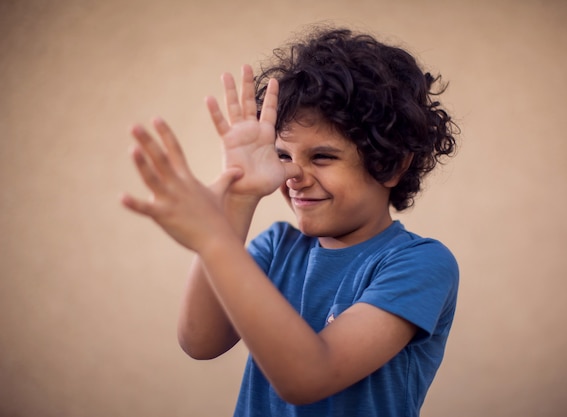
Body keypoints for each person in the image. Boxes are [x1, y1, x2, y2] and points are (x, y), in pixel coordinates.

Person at [122, 26, 459, 417]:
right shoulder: (276, 246)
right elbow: (200, 341)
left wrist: (214, 240)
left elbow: (309, 377)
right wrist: (240, 197)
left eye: (322, 157)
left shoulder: (420, 263)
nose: (293, 175)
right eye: (283, 155)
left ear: (391, 165)